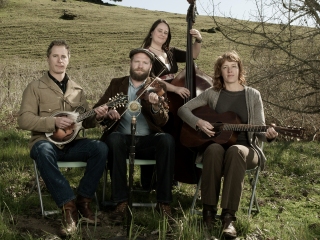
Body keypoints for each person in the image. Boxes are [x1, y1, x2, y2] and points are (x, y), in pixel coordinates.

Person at [177, 51, 278, 238]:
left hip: (246, 150)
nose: (229, 70)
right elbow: (183, 110)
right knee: (214, 149)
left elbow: (259, 130)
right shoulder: (212, 93)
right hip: (217, 147)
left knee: (235, 151)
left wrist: (269, 135)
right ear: (220, 72)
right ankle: (208, 213)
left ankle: (229, 218)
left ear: (240, 69)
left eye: (233, 66)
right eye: (225, 67)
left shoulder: (253, 95)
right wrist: (198, 122)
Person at [17, 40, 109, 237]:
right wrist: (53, 123)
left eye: (63, 56)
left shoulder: (77, 90)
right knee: (42, 150)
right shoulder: (35, 87)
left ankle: (84, 201)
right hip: (45, 144)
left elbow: (86, 121)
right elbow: (24, 119)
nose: (60, 60)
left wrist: (98, 116)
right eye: (55, 56)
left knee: (100, 148)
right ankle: (69, 207)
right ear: (48, 59)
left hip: (71, 144)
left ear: (69, 60)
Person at [93, 48, 175, 223]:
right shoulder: (116, 84)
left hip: (148, 142)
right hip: (122, 140)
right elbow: (99, 110)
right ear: (130, 64)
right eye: (137, 61)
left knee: (167, 140)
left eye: (145, 63)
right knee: (113, 139)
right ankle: (121, 202)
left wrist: (155, 107)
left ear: (150, 66)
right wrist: (107, 113)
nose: (140, 65)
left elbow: (163, 121)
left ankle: (164, 202)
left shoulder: (157, 86)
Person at [140, 18, 203, 188]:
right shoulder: (144, 54)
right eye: (159, 30)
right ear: (152, 32)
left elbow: (193, 55)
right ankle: (148, 180)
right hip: (154, 98)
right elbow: (150, 79)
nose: (162, 34)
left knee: (174, 134)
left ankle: (170, 174)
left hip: (173, 102)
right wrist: (174, 89)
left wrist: (198, 39)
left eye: (166, 32)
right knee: (157, 135)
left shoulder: (171, 52)